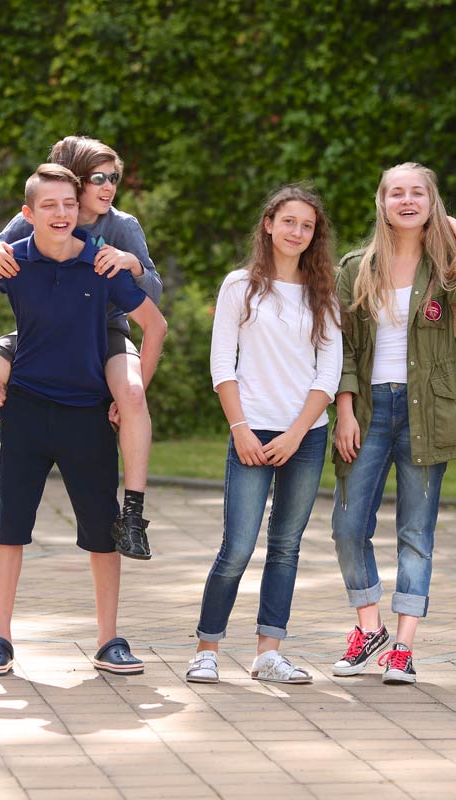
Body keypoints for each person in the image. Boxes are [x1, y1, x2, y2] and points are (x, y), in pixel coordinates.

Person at [0, 136, 162, 561]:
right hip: (41, 331)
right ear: (73, 181)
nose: (108, 187)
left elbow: (153, 295)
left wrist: (132, 264)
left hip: (105, 330)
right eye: (98, 178)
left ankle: (133, 515)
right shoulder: (38, 213)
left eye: (113, 177)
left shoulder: (122, 225)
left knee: (133, 394)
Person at [0, 164, 167, 676]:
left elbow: (155, 322)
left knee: (102, 532)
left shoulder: (103, 258)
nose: (62, 212)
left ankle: (109, 640)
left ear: (81, 208)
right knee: (9, 529)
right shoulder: (16, 257)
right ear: (29, 213)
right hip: (26, 408)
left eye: (69, 204)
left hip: (87, 411)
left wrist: (134, 390)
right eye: (50, 205)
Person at [330, 163, 456, 685]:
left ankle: (403, 647)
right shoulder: (356, 267)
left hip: (429, 410)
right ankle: (370, 628)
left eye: (417, 193)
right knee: (347, 525)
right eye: (396, 193)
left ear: (432, 202)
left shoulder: (444, 267)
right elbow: (341, 347)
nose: (407, 201)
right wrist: (343, 409)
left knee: (416, 531)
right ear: (382, 203)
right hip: (369, 411)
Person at [185, 186, 341, 685]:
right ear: (269, 224)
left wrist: (297, 433)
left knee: (286, 547)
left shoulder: (324, 291)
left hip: (305, 436)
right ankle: (207, 649)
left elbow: (329, 372)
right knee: (236, 547)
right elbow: (221, 365)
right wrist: (241, 430)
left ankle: (268, 653)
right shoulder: (240, 286)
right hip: (250, 432)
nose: (297, 232)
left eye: (307, 225)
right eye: (289, 221)